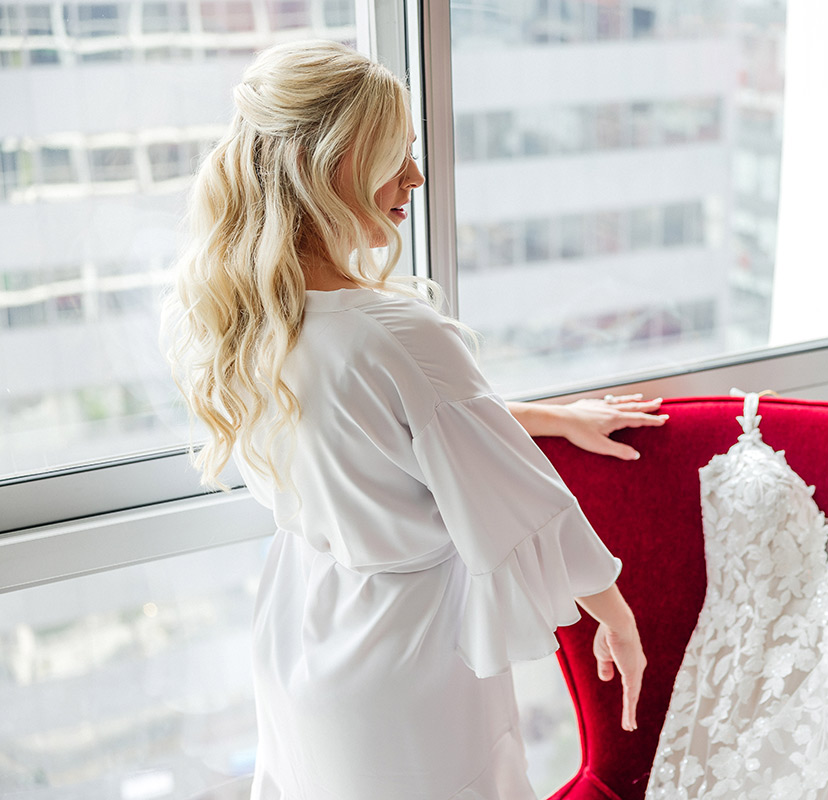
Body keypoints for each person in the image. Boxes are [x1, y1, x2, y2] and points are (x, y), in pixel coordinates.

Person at [162, 40, 655, 800]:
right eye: (396, 156)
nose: (415, 180)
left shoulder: (253, 311)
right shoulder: (397, 335)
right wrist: (615, 614)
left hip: (303, 632)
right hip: (405, 657)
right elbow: (520, 502)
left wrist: (542, 416)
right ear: (324, 166)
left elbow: (383, 429)